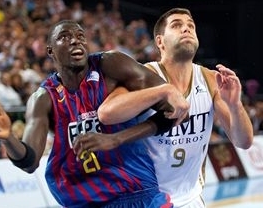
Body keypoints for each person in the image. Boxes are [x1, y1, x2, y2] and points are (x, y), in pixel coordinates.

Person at [0, 20, 191, 208]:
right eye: (65, 37)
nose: (75, 41)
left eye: (80, 36)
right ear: (50, 51)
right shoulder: (43, 98)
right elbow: (29, 162)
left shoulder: (111, 64)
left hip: (137, 190)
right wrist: (8, 139)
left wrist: (115, 139)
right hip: (84, 199)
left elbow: (175, 109)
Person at [73, 8, 254, 208]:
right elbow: (107, 113)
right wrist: (163, 91)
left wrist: (235, 104)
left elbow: (243, 141)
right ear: (160, 41)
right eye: (177, 25)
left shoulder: (211, 79)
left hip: (191, 197)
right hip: (148, 198)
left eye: (190, 26)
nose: (186, 29)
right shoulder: (143, 75)